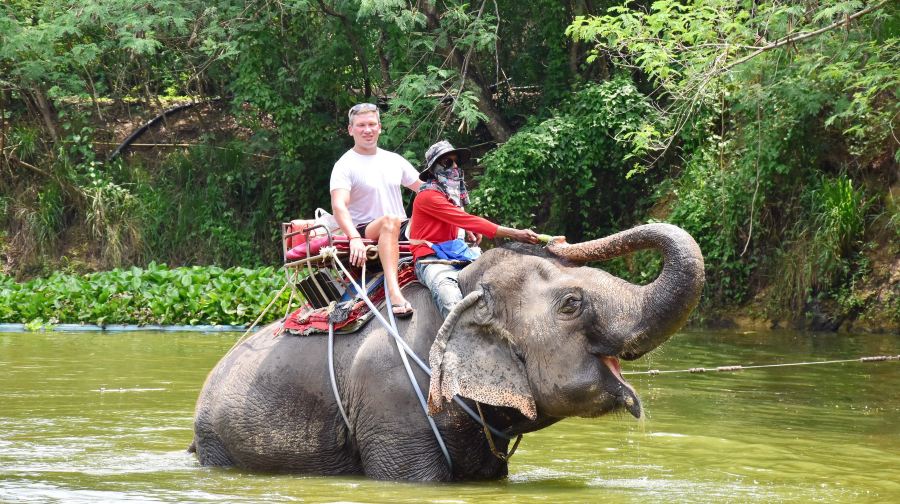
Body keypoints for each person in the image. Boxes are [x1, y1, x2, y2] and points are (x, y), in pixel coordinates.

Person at [409, 140, 540, 318]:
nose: (454, 167)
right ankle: (456, 340)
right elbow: (466, 219)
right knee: (448, 295)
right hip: (429, 258)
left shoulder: (447, 194)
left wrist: (466, 228)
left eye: (456, 162)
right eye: (447, 163)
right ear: (434, 170)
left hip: (455, 251)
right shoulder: (428, 196)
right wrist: (515, 233)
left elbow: (458, 218)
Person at [330, 103, 422, 318]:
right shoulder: (345, 165)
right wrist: (353, 237)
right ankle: (394, 291)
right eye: (361, 125)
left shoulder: (393, 160)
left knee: (425, 211)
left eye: (372, 124)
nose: (367, 130)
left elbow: (425, 191)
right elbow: (339, 205)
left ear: (380, 127)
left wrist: (459, 222)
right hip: (366, 231)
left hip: (399, 228)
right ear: (351, 130)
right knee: (389, 221)